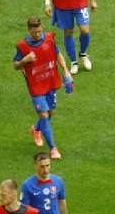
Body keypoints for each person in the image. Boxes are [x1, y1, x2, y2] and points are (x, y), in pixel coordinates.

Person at [13, 17, 74, 160]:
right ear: (29, 31)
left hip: (51, 83)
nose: (38, 34)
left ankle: (36, 129)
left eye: (40, 31)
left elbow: (57, 54)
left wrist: (65, 70)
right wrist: (24, 60)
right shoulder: (22, 46)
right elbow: (15, 65)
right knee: (44, 116)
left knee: (50, 112)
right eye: (35, 33)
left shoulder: (49, 39)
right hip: (36, 88)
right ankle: (53, 148)